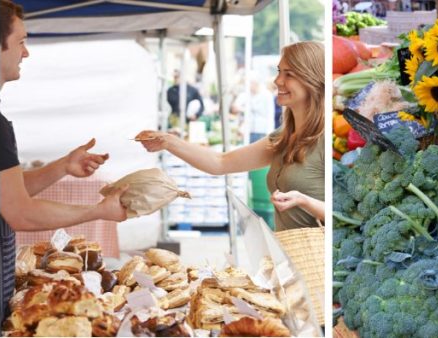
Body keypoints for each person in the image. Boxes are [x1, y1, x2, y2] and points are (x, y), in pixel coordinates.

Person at [0, 0, 128, 324]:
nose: (25, 53)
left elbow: (10, 190)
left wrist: (63, 166)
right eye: (21, 42)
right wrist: (98, 210)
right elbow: (21, 212)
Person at [136, 41, 326, 231]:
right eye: (279, 71)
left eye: (289, 74)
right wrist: (169, 142)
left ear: (312, 79)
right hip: (288, 253)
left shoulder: (324, 139)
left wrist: (304, 201)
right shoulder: (283, 137)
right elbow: (221, 163)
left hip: (316, 256)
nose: (277, 81)